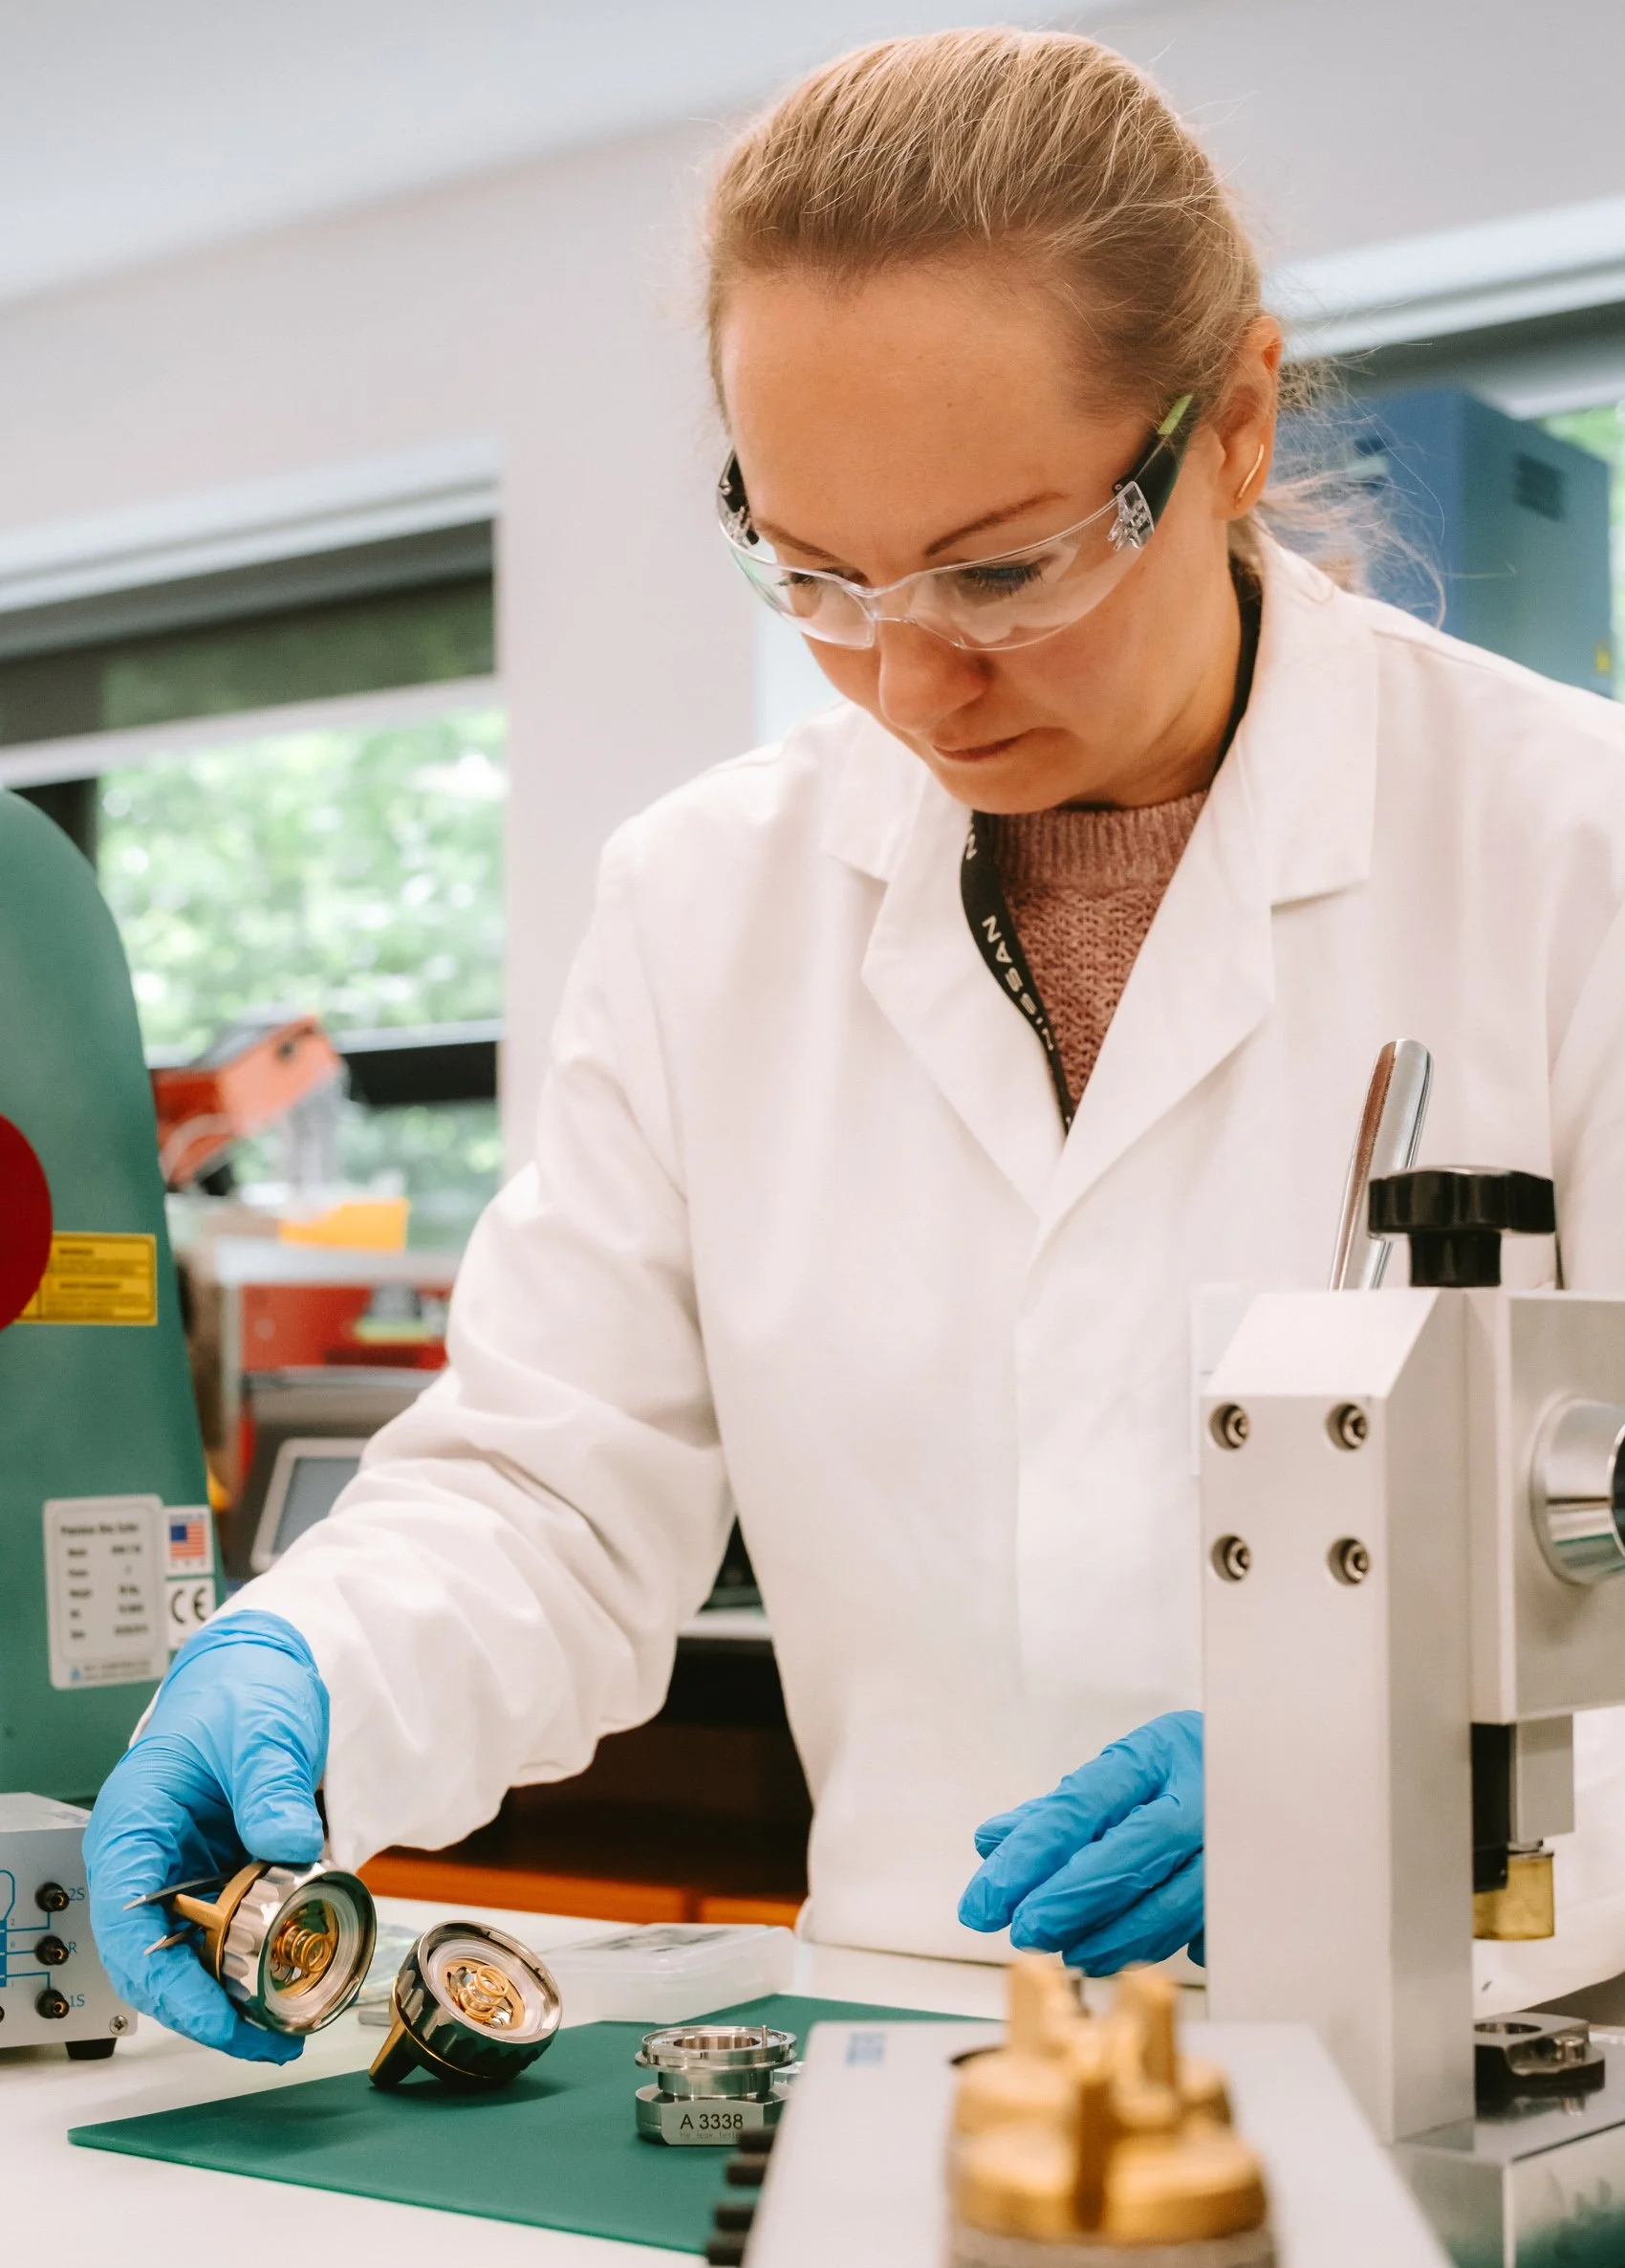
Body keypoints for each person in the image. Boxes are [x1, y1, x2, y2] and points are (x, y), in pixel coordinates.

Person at [88, 29, 1625, 2061]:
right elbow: (550, 1490)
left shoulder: (1562, 849)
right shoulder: (708, 896)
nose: (910, 681)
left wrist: (1388, 1779)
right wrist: (303, 1658)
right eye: (814, 571)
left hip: (1507, 2048)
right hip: (905, 2048)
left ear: (1233, 425)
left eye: (1002, 570)